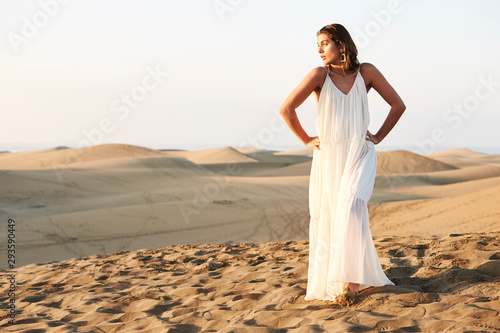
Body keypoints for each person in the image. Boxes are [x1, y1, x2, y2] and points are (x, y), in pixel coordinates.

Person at [279, 23, 405, 302]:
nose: (320, 50)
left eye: (325, 43)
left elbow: (398, 105)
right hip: (330, 156)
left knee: (352, 206)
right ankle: (343, 279)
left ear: (341, 44)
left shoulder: (367, 72)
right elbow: (286, 109)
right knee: (333, 215)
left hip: (360, 152)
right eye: (318, 45)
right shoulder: (318, 76)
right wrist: (305, 139)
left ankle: (352, 285)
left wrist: (379, 136)